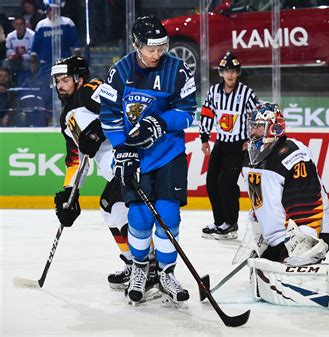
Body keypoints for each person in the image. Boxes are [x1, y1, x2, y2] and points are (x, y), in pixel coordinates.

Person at [238, 102, 329, 309]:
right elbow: (261, 200)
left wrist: (305, 240)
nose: (253, 131)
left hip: (309, 231)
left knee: (286, 269)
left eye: (258, 126)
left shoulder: (293, 155)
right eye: (252, 126)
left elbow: (306, 201)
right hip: (279, 236)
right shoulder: (252, 155)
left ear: (273, 127)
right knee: (264, 266)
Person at [99, 15, 197, 305]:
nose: (157, 54)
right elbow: (109, 115)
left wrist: (161, 122)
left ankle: (166, 272)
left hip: (169, 155)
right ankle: (140, 268)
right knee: (139, 219)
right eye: (150, 49)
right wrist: (123, 148)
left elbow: (188, 111)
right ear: (136, 45)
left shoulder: (178, 70)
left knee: (169, 217)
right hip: (137, 158)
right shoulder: (119, 72)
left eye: (161, 47)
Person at [51, 55, 135, 290]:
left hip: (129, 161)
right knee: (110, 211)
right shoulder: (65, 118)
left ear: (79, 78)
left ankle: (145, 264)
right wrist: (70, 193)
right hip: (114, 171)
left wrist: (97, 132)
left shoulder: (90, 89)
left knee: (115, 209)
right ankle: (135, 262)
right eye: (57, 81)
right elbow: (75, 160)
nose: (60, 85)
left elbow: (122, 110)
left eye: (65, 79)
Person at [199, 51, 259, 240]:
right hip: (221, 143)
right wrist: (204, 138)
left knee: (226, 183)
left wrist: (251, 139)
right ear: (221, 73)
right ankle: (219, 222)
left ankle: (231, 223)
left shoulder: (246, 93)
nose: (230, 75)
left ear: (238, 73)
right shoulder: (214, 92)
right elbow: (208, 114)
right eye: (226, 71)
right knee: (211, 183)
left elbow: (256, 117)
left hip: (238, 146)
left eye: (233, 71)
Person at [4, 16, 35, 83]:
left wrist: (21, 56)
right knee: (5, 63)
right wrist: (12, 54)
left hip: (28, 60)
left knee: (26, 63)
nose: (19, 27)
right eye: (17, 24)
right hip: (15, 59)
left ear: (25, 25)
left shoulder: (32, 35)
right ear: (13, 25)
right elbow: (8, 50)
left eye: (21, 24)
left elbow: (33, 52)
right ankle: (7, 84)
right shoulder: (10, 36)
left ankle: (28, 82)